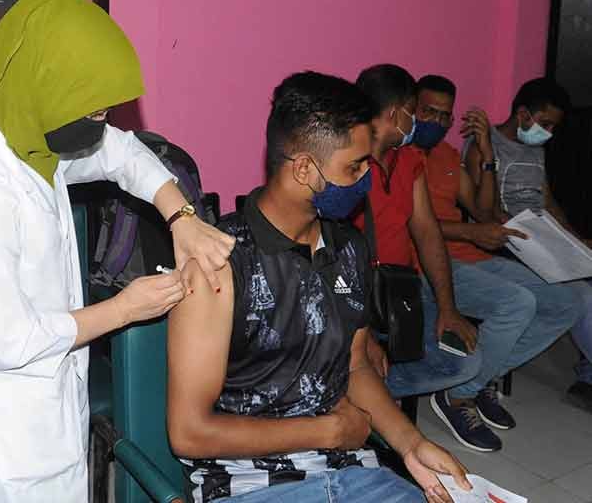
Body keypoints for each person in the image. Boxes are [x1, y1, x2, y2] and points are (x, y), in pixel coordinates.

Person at [0, 0, 236, 503]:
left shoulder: (30, 137)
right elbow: (10, 343)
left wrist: (181, 216)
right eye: (91, 110)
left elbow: (121, 154)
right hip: (7, 451)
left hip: (56, 411)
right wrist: (123, 309)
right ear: (45, 85)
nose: (101, 122)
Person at [167, 71, 470, 503]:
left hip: (350, 469)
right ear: (305, 168)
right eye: (355, 166)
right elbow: (189, 433)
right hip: (249, 484)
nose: (368, 176)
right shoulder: (218, 264)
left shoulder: (348, 246)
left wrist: (410, 443)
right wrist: (326, 431)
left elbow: (355, 366)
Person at [412, 74, 580, 451]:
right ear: (410, 109)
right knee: (518, 303)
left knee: (571, 300)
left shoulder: (445, 156)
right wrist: (471, 233)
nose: (437, 123)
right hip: (430, 263)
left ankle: (482, 378)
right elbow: (412, 226)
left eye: (445, 116)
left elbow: (483, 211)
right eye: (428, 112)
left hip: (469, 255)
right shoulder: (398, 154)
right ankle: (458, 396)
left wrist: (487, 157)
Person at [351, 64, 482, 401]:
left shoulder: (409, 160)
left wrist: (447, 308)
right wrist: (361, 335)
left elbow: (427, 233)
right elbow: (327, 258)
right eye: (413, 112)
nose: (417, 123)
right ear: (396, 114)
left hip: (400, 293)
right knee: (356, 361)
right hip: (350, 301)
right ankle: (359, 394)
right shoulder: (345, 161)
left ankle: (367, 396)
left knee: (462, 364)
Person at [462, 78, 592, 412]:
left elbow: (546, 201)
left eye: (552, 127)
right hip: (509, 241)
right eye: (545, 123)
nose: (548, 132)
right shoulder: (483, 145)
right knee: (581, 295)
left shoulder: (535, 146)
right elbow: (483, 214)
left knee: (585, 274)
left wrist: (574, 241)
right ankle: (480, 375)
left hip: (540, 237)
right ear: (522, 114)